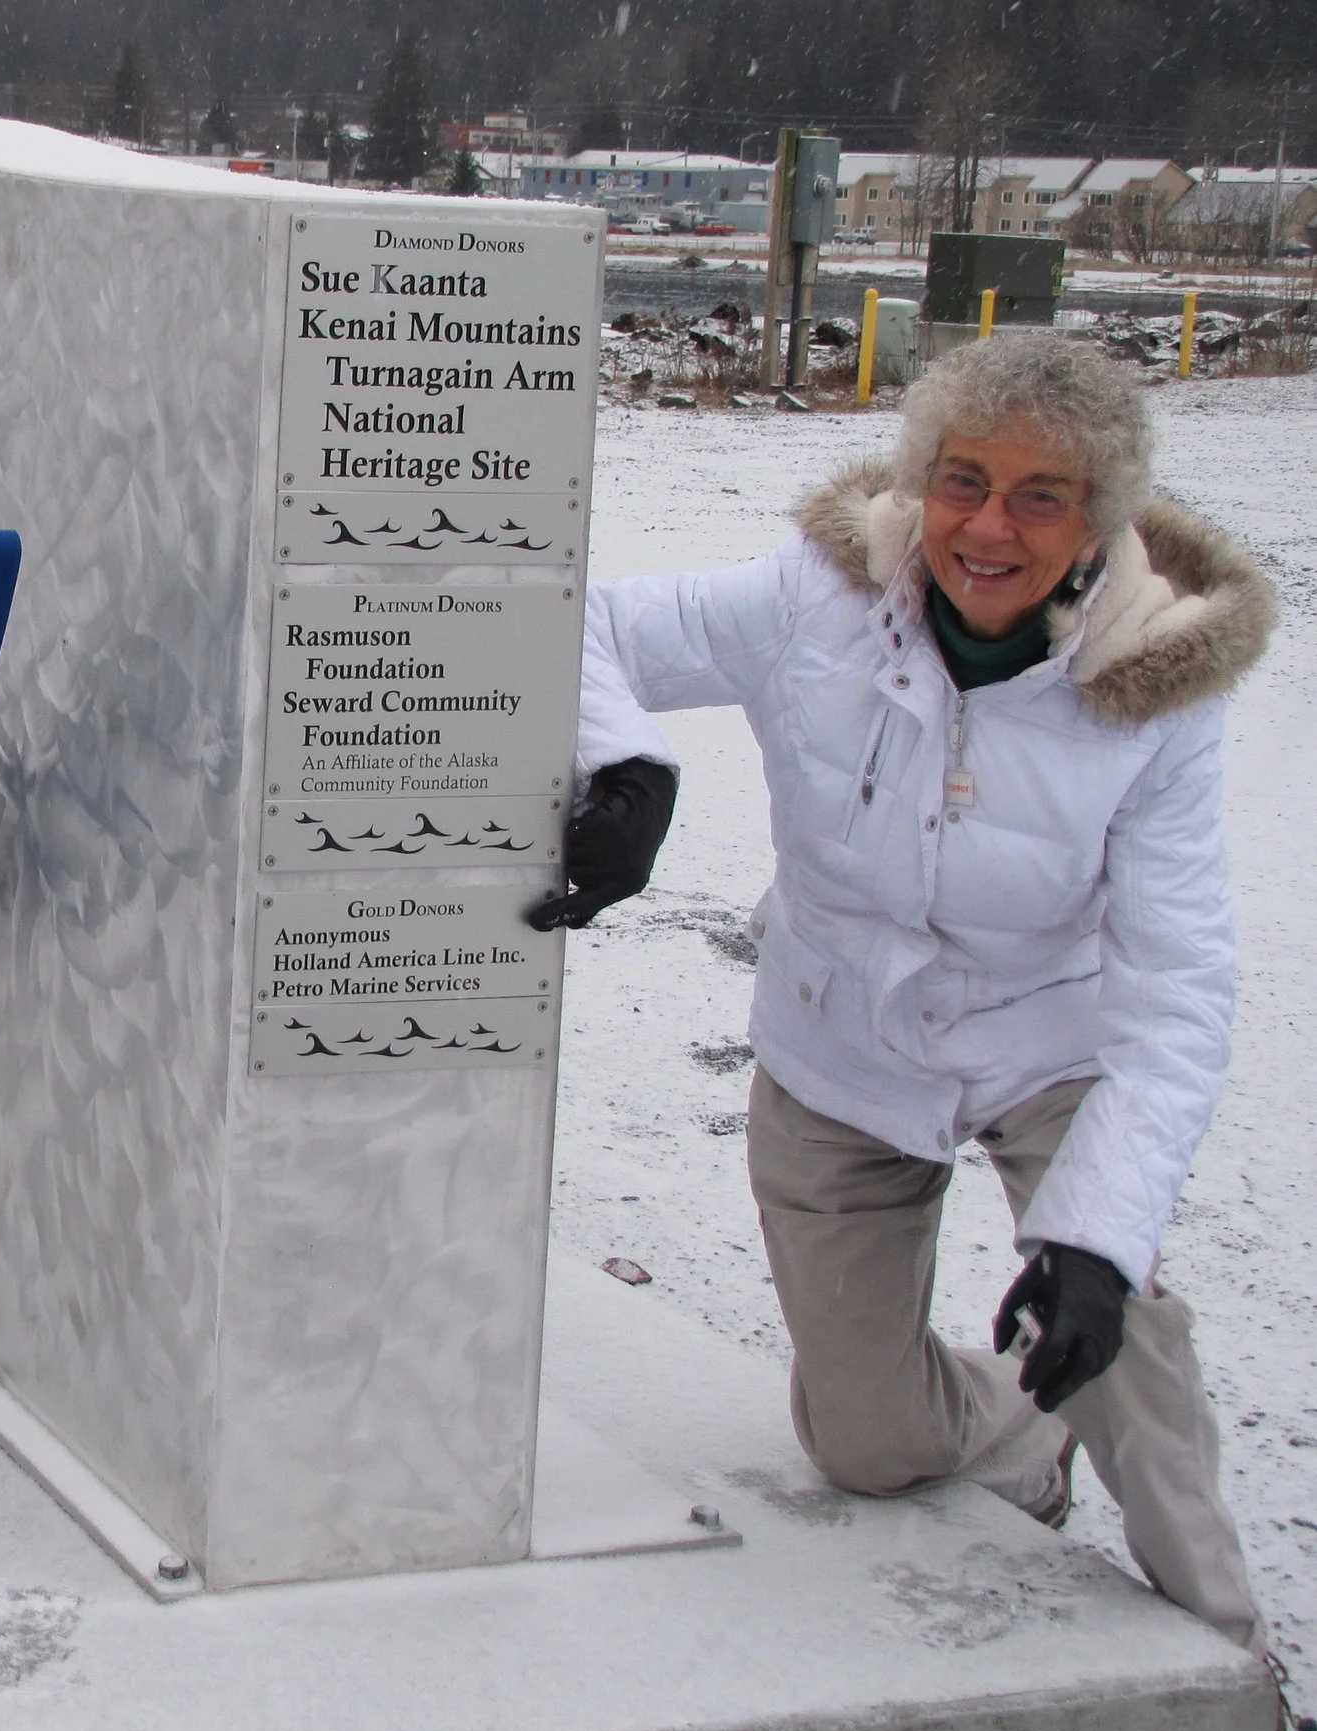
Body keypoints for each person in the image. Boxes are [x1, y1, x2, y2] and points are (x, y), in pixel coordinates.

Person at [535, 330, 1275, 1651]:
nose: (988, 524)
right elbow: (580, 622)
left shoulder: (1154, 684)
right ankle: (1022, 1430)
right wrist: (628, 765)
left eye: (1040, 494)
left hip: (1047, 1040)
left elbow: (1178, 991)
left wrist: (1095, 1239)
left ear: (1100, 519)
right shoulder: (813, 597)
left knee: (1124, 1353)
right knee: (866, 1440)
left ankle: (1226, 1647)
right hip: (841, 1044)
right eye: (961, 479)